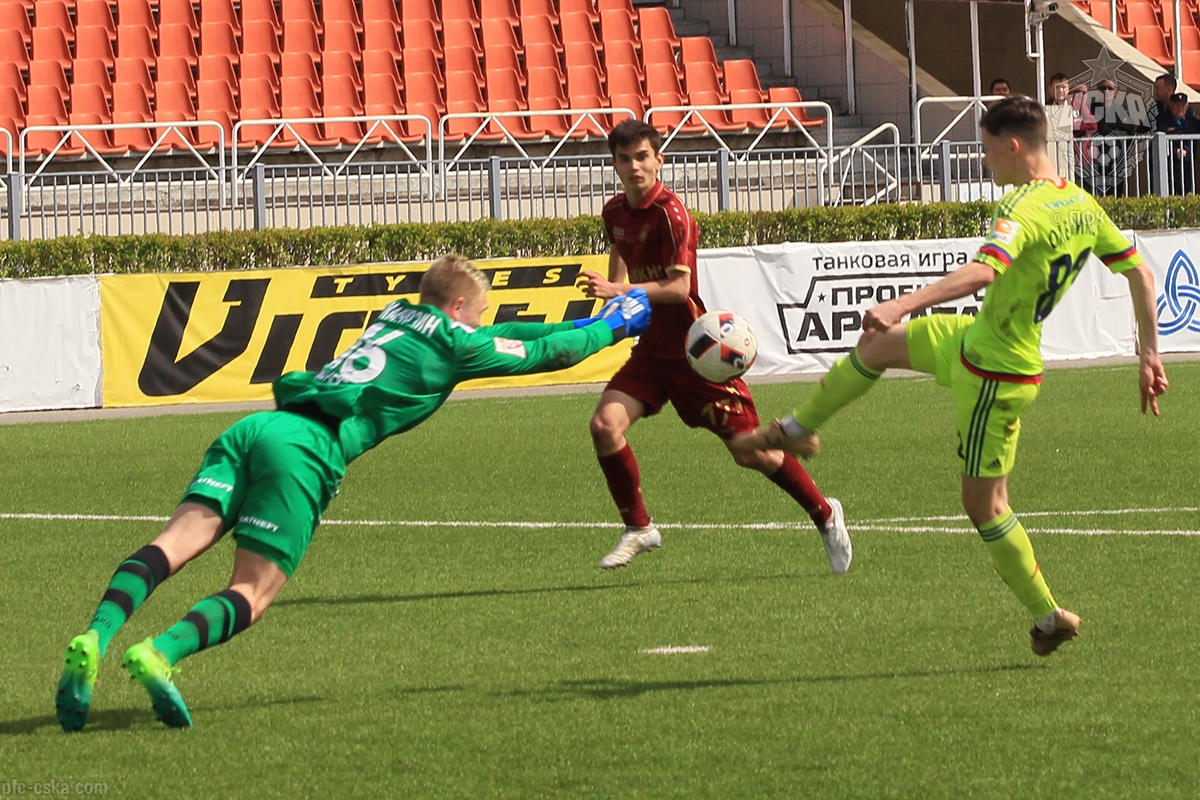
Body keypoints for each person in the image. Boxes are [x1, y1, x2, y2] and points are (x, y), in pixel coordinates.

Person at [55, 254, 653, 731]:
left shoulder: (395, 314)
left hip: (257, 427)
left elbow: (510, 332)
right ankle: (161, 653)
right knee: (253, 591)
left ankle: (95, 636)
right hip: (309, 450)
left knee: (173, 544)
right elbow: (539, 352)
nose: (479, 325)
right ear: (459, 307)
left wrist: (584, 321)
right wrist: (613, 327)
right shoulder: (456, 340)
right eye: (477, 314)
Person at [731, 96, 1168, 656]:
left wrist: (902, 302)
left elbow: (985, 270)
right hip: (975, 339)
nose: (985, 161)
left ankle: (1047, 617)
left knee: (985, 505)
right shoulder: (1081, 203)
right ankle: (796, 429)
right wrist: (1149, 356)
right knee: (877, 346)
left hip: (996, 372)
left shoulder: (1022, 205)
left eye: (988, 150)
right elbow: (1142, 274)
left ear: (1013, 146)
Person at [576, 119, 852, 572]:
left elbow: (679, 289)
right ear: (615, 165)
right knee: (604, 426)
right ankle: (639, 527)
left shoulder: (673, 215)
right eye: (624, 159)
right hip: (652, 352)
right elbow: (620, 250)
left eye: (642, 157)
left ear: (659, 160)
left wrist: (619, 291)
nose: (634, 166)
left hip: (696, 354)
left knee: (750, 452)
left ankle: (825, 514)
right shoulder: (614, 211)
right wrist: (616, 300)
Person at [1156, 91, 1199, 195]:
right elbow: (1159, 143)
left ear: (1187, 107)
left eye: (1183, 106)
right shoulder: (1163, 122)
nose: (1180, 108)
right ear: (1171, 106)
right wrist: (1175, 152)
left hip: (1188, 167)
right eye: (1177, 105)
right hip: (1171, 166)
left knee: (1188, 193)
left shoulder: (1192, 122)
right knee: (1171, 193)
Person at [1045, 73, 1076, 178]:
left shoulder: (1077, 104)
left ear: (1068, 89)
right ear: (1050, 89)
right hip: (1053, 157)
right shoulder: (1045, 107)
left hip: (1077, 155)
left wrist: (1073, 125)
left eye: (1064, 87)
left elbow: (1092, 125)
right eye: (1057, 87)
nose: (1061, 90)